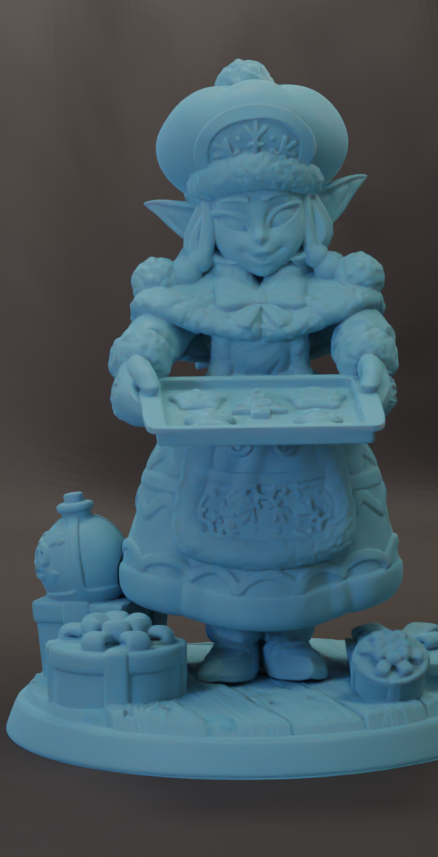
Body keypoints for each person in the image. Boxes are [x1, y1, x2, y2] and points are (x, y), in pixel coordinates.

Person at [108, 60, 402, 684]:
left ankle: (292, 638)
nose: (261, 237)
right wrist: (138, 364)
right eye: (237, 221)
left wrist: (369, 362)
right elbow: (159, 332)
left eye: (281, 215)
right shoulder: (193, 291)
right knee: (213, 545)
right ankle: (232, 641)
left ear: (313, 215)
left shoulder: (328, 287)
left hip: (306, 435)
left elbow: (354, 328)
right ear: (205, 226)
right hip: (212, 439)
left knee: (303, 547)